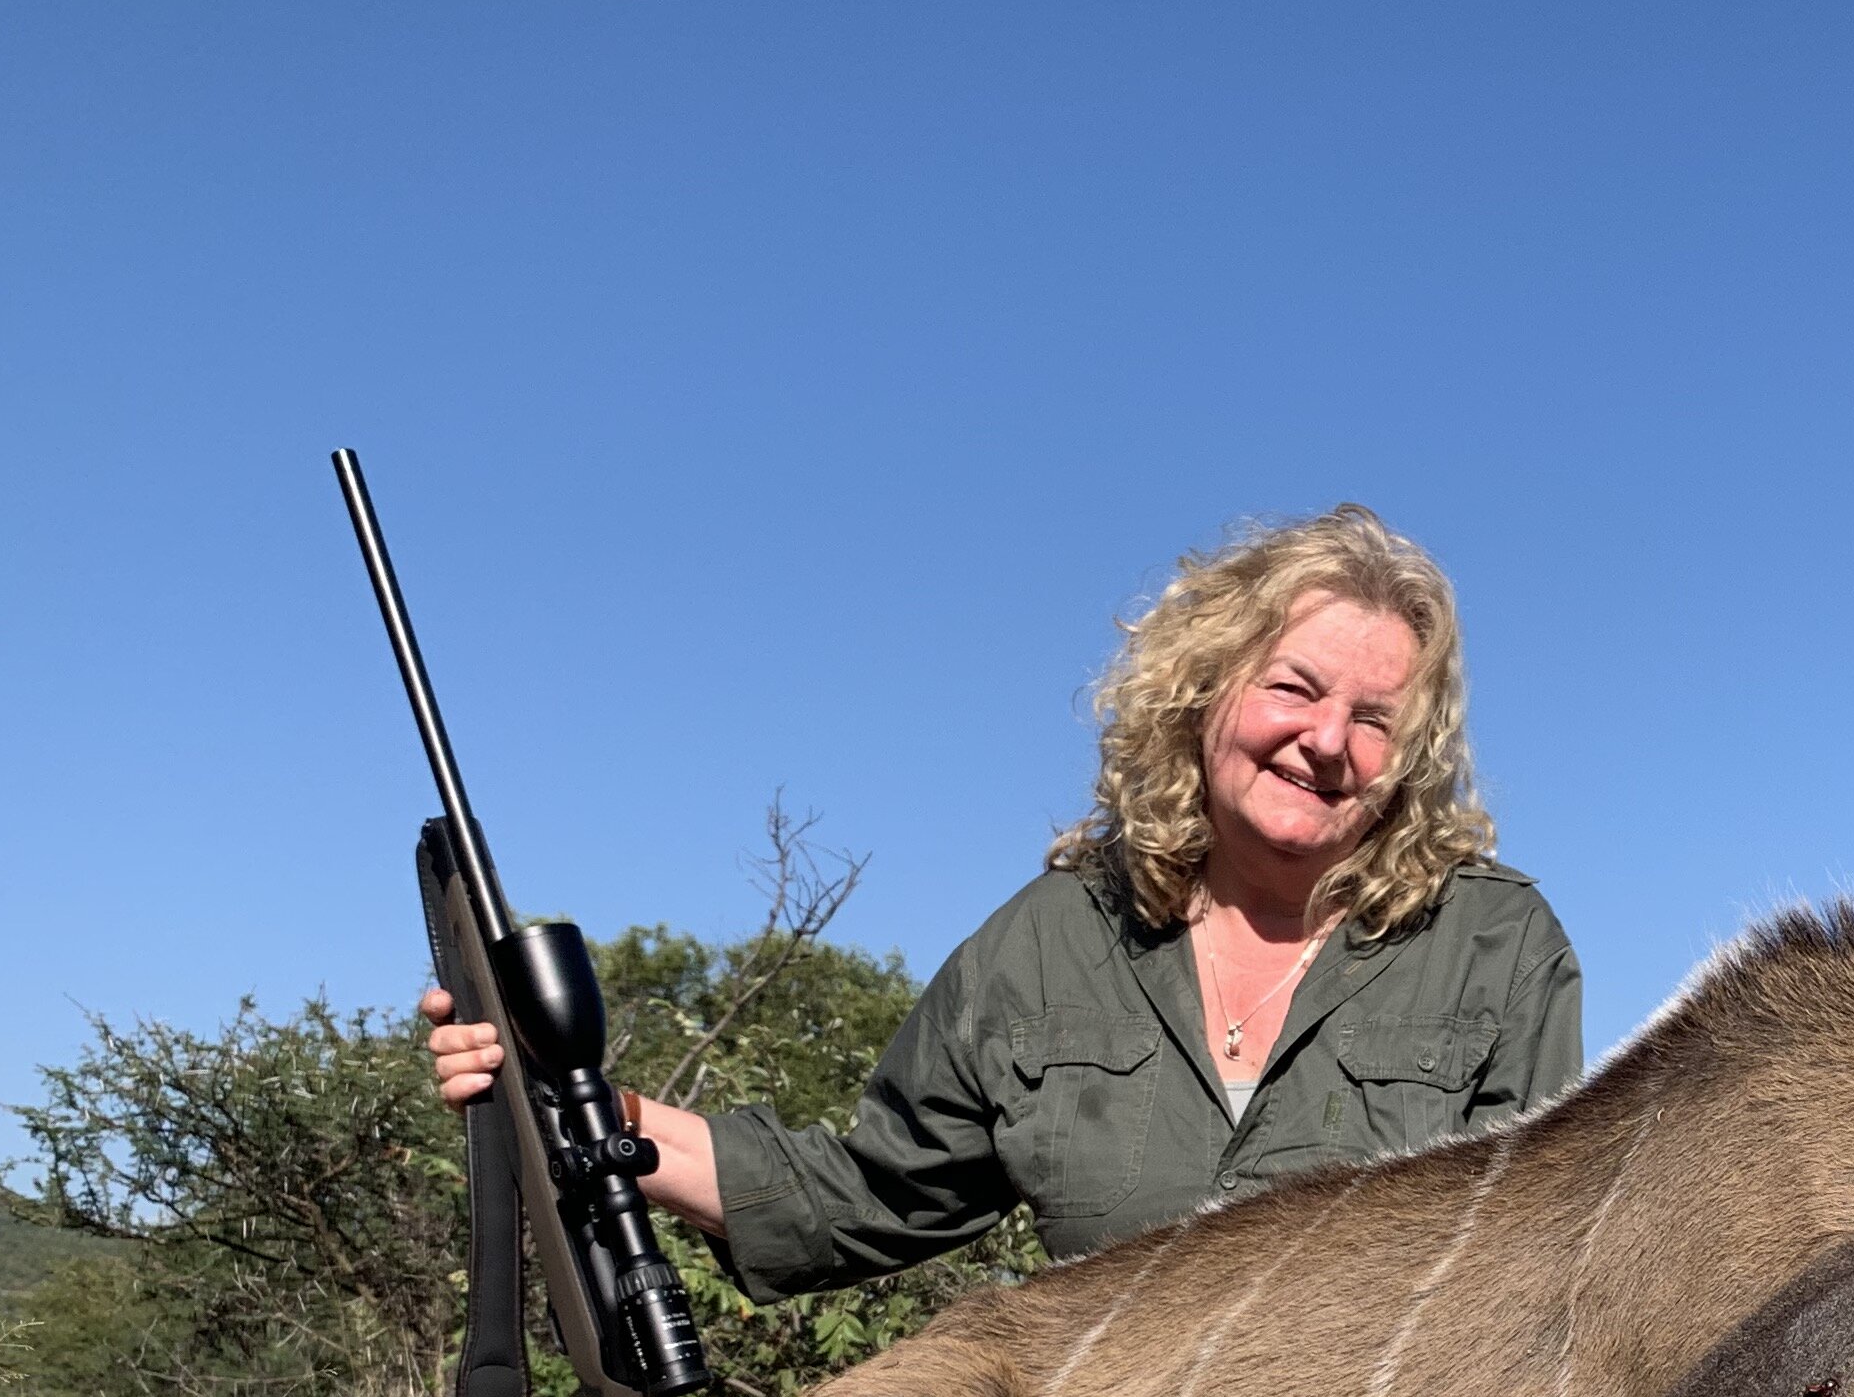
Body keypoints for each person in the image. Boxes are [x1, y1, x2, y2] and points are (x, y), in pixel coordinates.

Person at [424, 506, 1582, 1291]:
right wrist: (584, 1105)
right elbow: (864, 1195)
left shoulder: (1494, 944)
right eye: (1295, 688)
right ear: (1206, 691)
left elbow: (1535, 1273)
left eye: (1374, 719)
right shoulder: (1055, 939)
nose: (1326, 741)